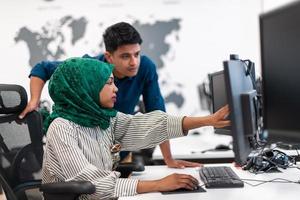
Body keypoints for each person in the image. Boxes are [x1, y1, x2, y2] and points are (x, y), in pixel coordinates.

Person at [42, 57, 230, 199]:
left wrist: (207, 120)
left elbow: (146, 126)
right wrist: (158, 184)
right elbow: (89, 183)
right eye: (108, 83)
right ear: (86, 88)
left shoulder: (103, 119)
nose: (115, 89)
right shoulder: (62, 127)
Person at [19, 22, 201, 168]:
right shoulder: (89, 68)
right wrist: (34, 101)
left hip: (118, 144)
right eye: (125, 56)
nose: (134, 62)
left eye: (137, 54)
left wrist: (168, 159)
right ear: (109, 56)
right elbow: (42, 68)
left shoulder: (145, 67)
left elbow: (157, 113)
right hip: (87, 147)